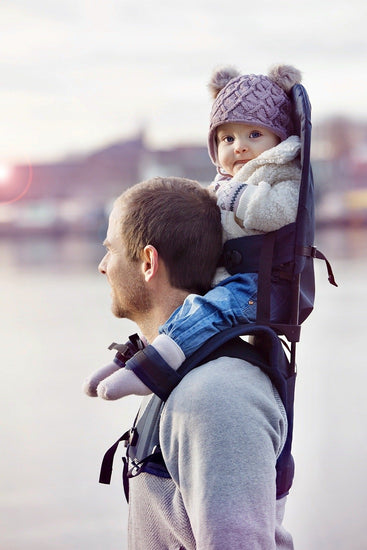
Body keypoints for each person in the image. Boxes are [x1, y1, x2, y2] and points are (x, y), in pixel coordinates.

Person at [92, 176, 293, 549]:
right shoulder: (175, 373)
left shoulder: (217, 395)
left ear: (148, 262)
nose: (103, 266)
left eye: (111, 250)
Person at [83, 63, 302, 401]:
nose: (240, 146)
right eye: (228, 138)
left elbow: (277, 211)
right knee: (185, 306)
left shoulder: (282, 175)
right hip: (234, 273)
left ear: (279, 137)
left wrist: (232, 195)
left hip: (265, 282)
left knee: (208, 310)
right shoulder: (229, 180)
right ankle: (139, 353)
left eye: (254, 134)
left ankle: (152, 370)